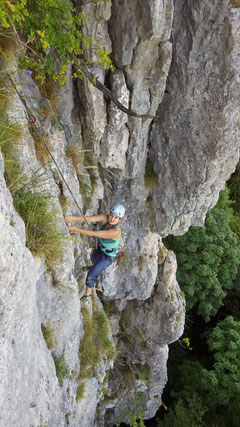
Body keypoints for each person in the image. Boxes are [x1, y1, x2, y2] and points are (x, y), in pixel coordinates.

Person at [65, 204, 125, 302]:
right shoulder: (105, 218)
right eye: (111, 215)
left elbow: (95, 234)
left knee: (91, 275)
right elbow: (89, 219)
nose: (112, 219)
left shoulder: (115, 231)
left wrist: (75, 229)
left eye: (116, 217)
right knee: (94, 259)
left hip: (108, 256)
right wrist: (72, 218)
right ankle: (92, 266)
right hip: (100, 249)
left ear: (119, 220)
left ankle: (87, 295)